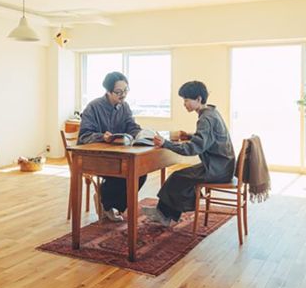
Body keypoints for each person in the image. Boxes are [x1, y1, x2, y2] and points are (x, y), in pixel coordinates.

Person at [144, 81, 235, 227]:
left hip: (216, 169)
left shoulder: (205, 119)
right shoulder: (211, 112)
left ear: (198, 99)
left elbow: (193, 149)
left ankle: (164, 215)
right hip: (222, 166)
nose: (184, 104)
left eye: (186, 100)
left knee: (177, 177)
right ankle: (165, 214)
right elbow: (208, 138)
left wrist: (166, 143)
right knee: (180, 177)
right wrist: (190, 135)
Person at [77, 71, 147, 222]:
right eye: (118, 92)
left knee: (140, 172)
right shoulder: (93, 107)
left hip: (117, 156)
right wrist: (102, 137)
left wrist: (142, 134)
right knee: (122, 172)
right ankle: (106, 201)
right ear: (108, 91)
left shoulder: (124, 106)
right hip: (96, 158)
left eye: (126, 90)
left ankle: (108, 203)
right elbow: (84, 136)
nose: (123, 95)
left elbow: (131, 126)